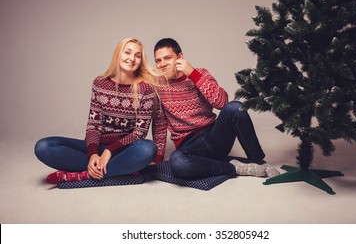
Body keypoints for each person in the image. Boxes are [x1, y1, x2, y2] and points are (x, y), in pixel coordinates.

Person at [35, 38, 166, 184]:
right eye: (127, 52)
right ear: (118, 54)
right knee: (44, 147)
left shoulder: (145, 89)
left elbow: (139, 132)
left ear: (141, 60)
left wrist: (109, 151)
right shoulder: (100, 83)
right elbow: (94, 125)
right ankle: (121, 169)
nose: (132, 59)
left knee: (148, 149)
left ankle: (83, 175)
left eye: (137, 55)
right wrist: (92, 155)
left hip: (124, 149)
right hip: (96, 147)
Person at [153, 38, 280, 179]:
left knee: (236, 107)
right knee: (176, 162)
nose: (162, 64)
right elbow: (160, 123)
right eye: (158, 60)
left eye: (167, 58)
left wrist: (193, 74)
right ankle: (234, 168)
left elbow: (222, 102)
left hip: (214, 136)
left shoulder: (200, 73)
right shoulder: (158, 87)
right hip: (189, 147)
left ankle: (258, 161)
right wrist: (158, 160)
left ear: (180, 57)